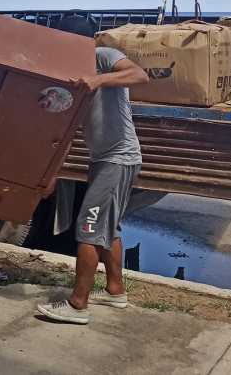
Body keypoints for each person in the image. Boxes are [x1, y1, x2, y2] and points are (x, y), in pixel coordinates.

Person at [36, 44, 148, 325]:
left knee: (88, 227)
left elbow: (140, 75)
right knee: (110, 227)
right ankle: (114, 291)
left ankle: (77, 306)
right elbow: (66, 133)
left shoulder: (103, 56)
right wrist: (52, 174)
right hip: (103, 159)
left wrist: (98, 78)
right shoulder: (66, 77)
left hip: (119, 158)